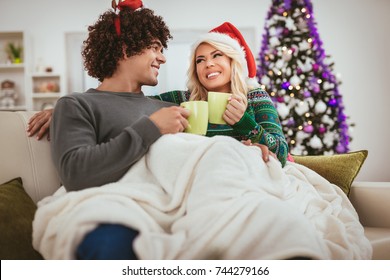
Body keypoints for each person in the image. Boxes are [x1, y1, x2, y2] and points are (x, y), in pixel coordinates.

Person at [45, 0, 191, 259]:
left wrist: (249, 146)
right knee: (113, 244)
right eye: (154, 48)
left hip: (174, 210)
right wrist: (152, 128)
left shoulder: (168, 106)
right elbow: (75, 173)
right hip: (115, 214)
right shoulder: (77, 105)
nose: (163, 57)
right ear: (125, 49)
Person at [27, 22, 288, 165]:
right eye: (200, 60)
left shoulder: (256, 98)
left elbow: (282, 152)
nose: (208, 64)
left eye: (217, 55)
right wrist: (63, 109)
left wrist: (247, 125)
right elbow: (125, 100)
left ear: (234, 62)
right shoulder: (182, 101)